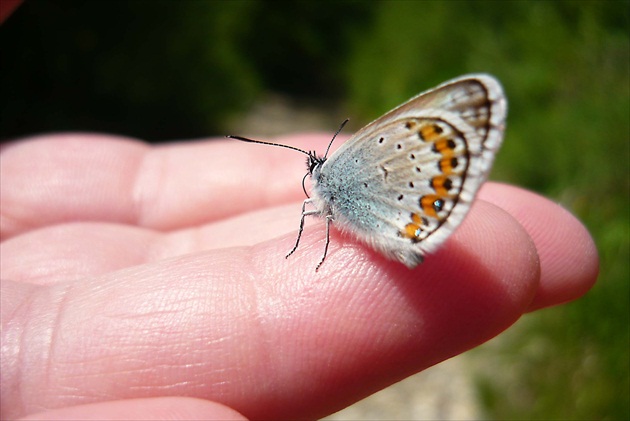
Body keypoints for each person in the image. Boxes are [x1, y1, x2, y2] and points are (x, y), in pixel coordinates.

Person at [1, 133, 599, 420]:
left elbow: (317, 204)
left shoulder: (331, 178)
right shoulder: (327, 183)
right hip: (396, 221)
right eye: (315, 161)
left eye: (315, 162)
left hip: (397, 216)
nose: (313, 168)